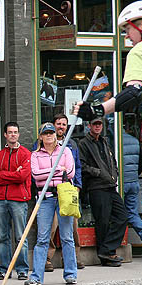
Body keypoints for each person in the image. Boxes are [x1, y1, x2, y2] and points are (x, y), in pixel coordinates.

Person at [75, 1, 142, 206]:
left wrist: (97, 110)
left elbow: (133, 93)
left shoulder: (141, 51)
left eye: (127, 29)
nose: (126, 37)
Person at [27, 123, 77, 285]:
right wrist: (57, 170)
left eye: (51, 133)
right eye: (45, 133)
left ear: (56, 135)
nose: (49, 136)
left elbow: (69, 173)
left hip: (63, 196)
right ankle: (36, 277)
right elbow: (35, 175)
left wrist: (50, 171)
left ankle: (70, 274)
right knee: (42, 238)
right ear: (41, 137)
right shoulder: (35, 155)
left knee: (67, 236)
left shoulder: (65, 151)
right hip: (45, 196)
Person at [77, 118, 127, 267]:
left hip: (110, 185)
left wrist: (115, 173)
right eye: (95, 124)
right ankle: (106, 256)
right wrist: (98, 173)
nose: (98, 126)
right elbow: (82, 165)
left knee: (122, 216)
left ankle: (107, 250)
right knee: (103, 221)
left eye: (100, 124)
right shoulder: (83, 143)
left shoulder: (104, 141)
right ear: (89, 125)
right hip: (96, 187)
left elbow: (112, 161)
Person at [38, 114, 84, 271]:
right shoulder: (39, 147)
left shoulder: (71, 144)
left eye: (64, 124)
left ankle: (72, 261)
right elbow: (37, 172)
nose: (61, 127)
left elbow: (74, 168)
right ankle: (47, 259)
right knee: (49, 229)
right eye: (58, 124)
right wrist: (57, 170)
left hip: (67, 192)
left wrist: (77, 185)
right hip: (48, 194)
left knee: (71, 231)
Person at [0, 122, 32, 281]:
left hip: (19, 200)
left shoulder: (26, 154)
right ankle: (4, 269)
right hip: (1, 200)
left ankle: (22, 269)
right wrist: (13, 174)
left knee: (21, 236)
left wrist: (4, 175)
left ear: (18, 134)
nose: (13, 135)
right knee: (2, 237)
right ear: (5, 135)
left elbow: (22, 177)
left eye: (15, 132)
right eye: (10, 132)